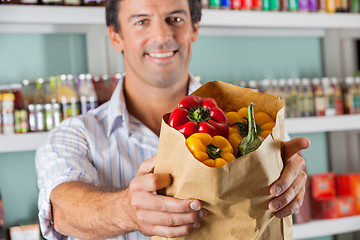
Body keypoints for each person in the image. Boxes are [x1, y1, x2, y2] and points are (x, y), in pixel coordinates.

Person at [35, 0, 310, 239]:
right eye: (141, 21)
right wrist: (126, 211)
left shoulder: (247, 123)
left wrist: (291, 184)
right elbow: (62, 208)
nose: (162, 35)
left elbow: (278, 201)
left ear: (194, 29)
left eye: (175, 19)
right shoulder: (74, 136)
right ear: (115, 36)